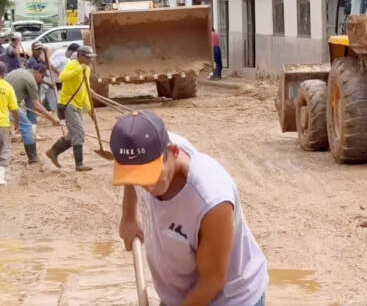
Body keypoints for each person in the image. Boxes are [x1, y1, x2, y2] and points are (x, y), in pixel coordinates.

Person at [112, 111, 268, 306]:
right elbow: (131, 174)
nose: (147, 187)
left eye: (151, 176)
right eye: (137, 178)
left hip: (228, 299)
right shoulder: (145, 150)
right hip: (179, 295)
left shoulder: (211, 201)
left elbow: (212, 283)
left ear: (174, 152)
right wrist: (129, 216)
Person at [45, 45, 96, 172]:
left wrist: (90, 109)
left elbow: (84, 90)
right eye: (88, 58)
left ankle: (54, 151)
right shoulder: (73, 65)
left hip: (78, 105)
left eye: (91, 58)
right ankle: (79, 164)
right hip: (68, 104)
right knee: (78, 133)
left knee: (74, 133)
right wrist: (79, 69)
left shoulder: (87, 69)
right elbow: (62, 77)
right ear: (80, 56)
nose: (90, 60)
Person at [5, 65, 60, 165]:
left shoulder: (21, 71)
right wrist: (53, 119)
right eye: (42, 76)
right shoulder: (31, 81)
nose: (42, 80)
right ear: (37, 73)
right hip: (8, 105)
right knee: (27, 127)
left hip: (0, 103)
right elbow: (37, 105)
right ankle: (33, 157)